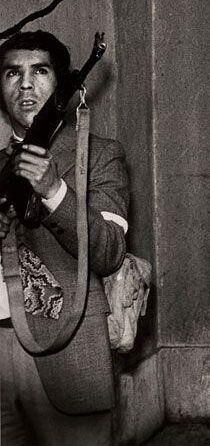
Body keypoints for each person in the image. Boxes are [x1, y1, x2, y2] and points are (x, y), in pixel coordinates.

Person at [0, 31, 129, 446]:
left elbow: (108, 251)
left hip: (63, 348)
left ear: (61, 85)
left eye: (40, 71)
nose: (25, 84)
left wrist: (55, 192)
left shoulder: (100, 154)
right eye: (12, 73)